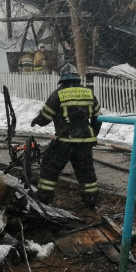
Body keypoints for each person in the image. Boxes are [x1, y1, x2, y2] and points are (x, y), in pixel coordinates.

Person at [30, 66, 102, 208]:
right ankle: (91, 201)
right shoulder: (89, 93)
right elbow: (97, 118)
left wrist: (36, 121)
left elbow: (45, 118)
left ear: (62, 79)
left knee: (50, 167)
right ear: (77, 78)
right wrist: (92, 134)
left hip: (64, 140)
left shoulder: (58, 94)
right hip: (84, 142)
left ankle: (44, 198)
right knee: (86, 171)